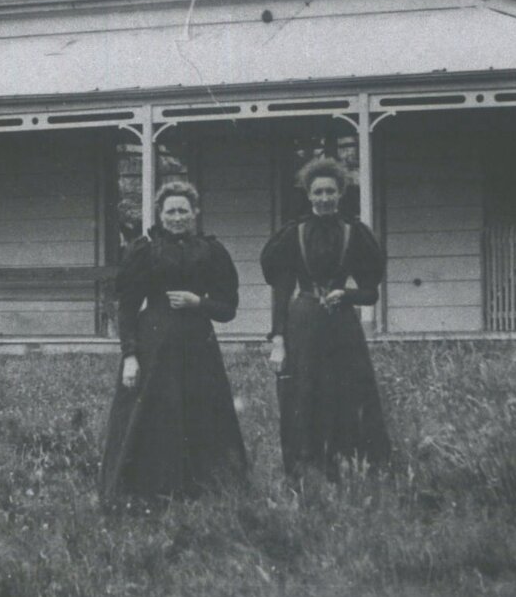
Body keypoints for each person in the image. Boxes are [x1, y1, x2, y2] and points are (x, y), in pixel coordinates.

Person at [98, 179, 249, 503]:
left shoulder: (211, 251)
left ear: (194, 213)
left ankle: (205, 492)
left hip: (199, 347)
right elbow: (126, 307)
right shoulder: (144, 251)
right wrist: (130, 355)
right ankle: (149, 493)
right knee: (154, 416)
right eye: (170, 211)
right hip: (155, 347)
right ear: (160, 214)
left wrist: (199, 303)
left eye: (183, 211)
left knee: (203, 414)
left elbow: (228, 309)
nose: (177, 217)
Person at [260, 156, 391, 477]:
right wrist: (278, 339)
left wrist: (346, 295)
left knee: (347, 391)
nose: (324, 198)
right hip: (302, 321)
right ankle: (306, 466)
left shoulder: (354, 233)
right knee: (303, 391)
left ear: (341, 192)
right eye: (317, 192)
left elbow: (370, 291)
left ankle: (350, 463)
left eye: (330, 191)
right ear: (308, 194)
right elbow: (281, 289)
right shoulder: (294, 234)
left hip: (342, 326)